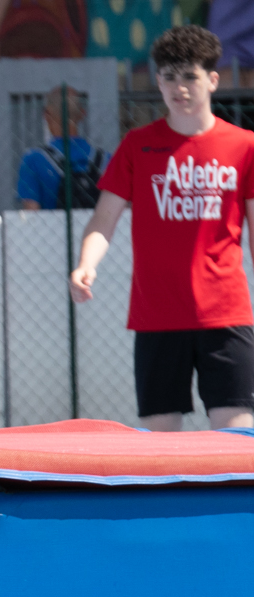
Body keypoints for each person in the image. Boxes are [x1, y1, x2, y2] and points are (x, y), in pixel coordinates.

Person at [70, 25, 254, 432]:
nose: (179, 87)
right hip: (157, 315)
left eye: (189, 76)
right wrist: (86, 264)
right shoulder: (138, 145)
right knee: (159, 443)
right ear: (157, 81)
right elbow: (104, 218)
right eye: (169, 77)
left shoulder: (245, 146)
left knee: (236, 437)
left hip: (225, 314)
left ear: (213, 80)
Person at [17, 95, 102, 211]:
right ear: (82, 113)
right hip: (99, 222)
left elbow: (31, 212)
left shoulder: (33, 160)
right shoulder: (106, 160)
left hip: (51, 222)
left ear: (46, 114)